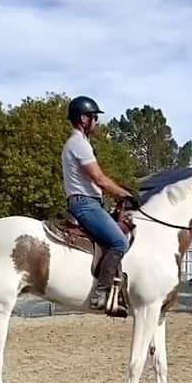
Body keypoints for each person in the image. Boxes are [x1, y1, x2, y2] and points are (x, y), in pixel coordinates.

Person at [62, 96, 133, 311]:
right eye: (94, 117)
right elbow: (99, 179)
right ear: (83, 119)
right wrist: (125, 195)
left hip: (89, 202)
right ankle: (101, 293)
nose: (96, 121)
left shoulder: (78, 144)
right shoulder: (79, 145)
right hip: (85, 204)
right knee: (120, 242)